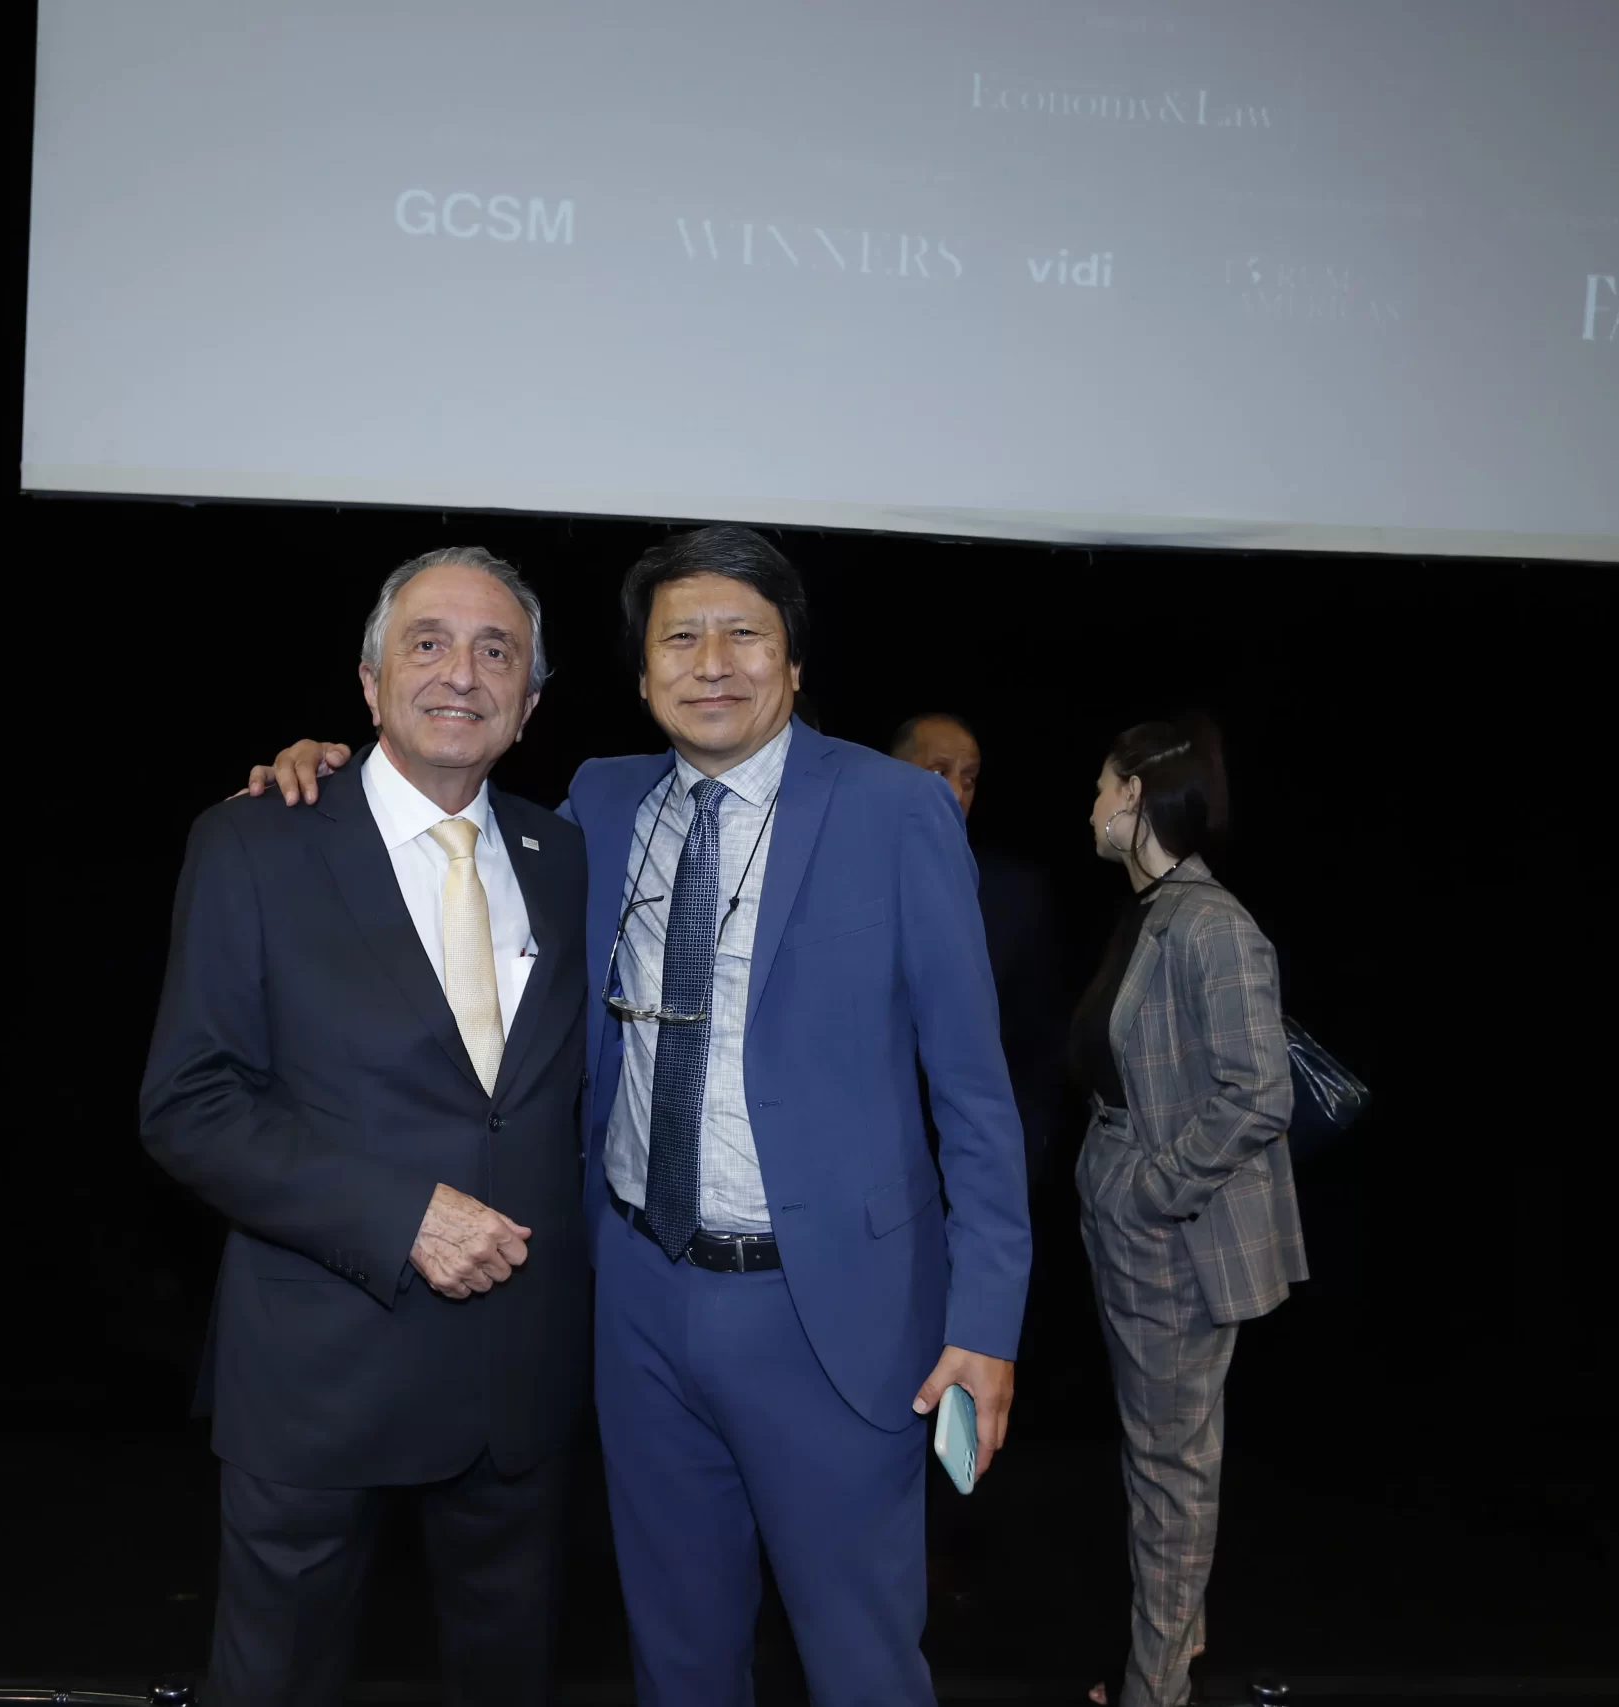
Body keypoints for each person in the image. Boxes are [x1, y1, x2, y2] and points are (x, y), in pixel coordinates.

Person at [249, 525, 1033, 1706]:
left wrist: (985, 1322)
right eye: (680, 637)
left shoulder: (894, 810)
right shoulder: (599, 805)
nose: (711, 662)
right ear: (642, 672)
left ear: (794, 663)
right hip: (635, 1302)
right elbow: (439, 822)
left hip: (830, 1313)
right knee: (675, 1656)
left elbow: (974, 1094)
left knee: (862, 1665)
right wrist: (326, 776)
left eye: (743, 635)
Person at [140, 547, 590, 1707]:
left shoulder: (564, 855)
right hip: (319, 1372)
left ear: (531, 702)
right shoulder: (253, 841)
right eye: (427, 643)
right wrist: (402, 1218)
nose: (461, 673)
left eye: (497, 651)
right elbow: (190, 1103)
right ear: (368, 680)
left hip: (517, 1385)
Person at [1070, 715, 1304, 1707]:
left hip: (1172, 1238)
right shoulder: (1154, 911)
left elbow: (1261, 1092)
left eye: (1100, 786)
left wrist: (1152, 1191)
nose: (1089, 805)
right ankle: (1170, 1653)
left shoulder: (1212, 924)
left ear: (1134, 796)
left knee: (1170, 1470)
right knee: (1160, 1456)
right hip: (1131, 1216)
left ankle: (1155, 1690)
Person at [889, 713, 1067, 1183]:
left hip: (977, 1167)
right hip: (872, 1168)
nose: (956, 792)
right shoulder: (844, 883)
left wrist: (1025, 1147)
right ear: (892, 775)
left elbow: (1038, 1039)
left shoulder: (1015, 896)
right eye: (938, 772)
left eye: (968, 779)